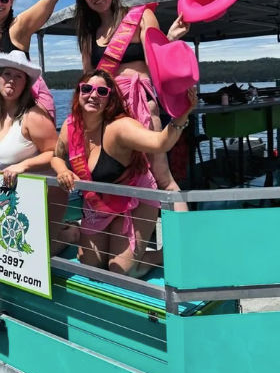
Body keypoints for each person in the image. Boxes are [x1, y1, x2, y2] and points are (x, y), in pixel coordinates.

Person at [51, 70, 197, 276]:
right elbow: (56, 156)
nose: (93, 95)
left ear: (109, 99)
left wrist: (181, 115)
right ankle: (99, 238)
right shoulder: (70, 126)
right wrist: (63, 170)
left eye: (102, 91)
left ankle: (166, 253)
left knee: (122, 270)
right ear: (78, 93)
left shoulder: (120, 127)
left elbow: (160, 142)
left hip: (133, 200)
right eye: (87, 89)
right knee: (90, 265)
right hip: (99, 205)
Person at [73, 0, 190, 209]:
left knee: (163, 178)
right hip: (109, 113)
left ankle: (183, 241)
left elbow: (158, 63)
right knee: (121, 181)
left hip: (141, 106)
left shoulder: (141, 17)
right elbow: (89, 80)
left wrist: (169, 39)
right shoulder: (88, 35)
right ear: (83, 0)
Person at [0, 50, 78, 255]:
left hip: (45, 192)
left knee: (38, 253)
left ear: (26, 84)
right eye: (7, 74)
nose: (11, 80)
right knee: (8, 248)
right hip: (12, 194)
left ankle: (73, 233)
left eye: (18, 76)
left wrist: (23, 165)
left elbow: (56, 153)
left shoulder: (34, 117)